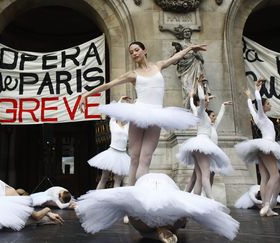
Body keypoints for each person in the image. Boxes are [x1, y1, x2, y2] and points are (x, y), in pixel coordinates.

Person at [79, 41, 203, 186]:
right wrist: (85, 95)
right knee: (134, 157)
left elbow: (176, 57)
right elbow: (108, 85)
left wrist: (190, 48)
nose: (134, 54)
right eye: (131, 52)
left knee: (146, 158)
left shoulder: (158, 66)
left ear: (145, 50)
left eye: (136, 50)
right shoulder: (133, 74)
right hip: (139, 113)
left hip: (156, 114)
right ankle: (131, 191)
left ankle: (140, 191)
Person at [75, 173, 239, 242]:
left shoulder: (143, 187)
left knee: (141, 223)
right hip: (160, 194)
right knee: (173, 216)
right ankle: (161, 230)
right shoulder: (174, 200)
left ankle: (159, 230)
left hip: (147, 197)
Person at [177, 79, 233, 198]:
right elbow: (201, 100)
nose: (207, 101)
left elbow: (194, 103)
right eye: (206, 100)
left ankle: (195, 200)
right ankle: (210, 200)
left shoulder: (200, 112)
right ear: (200, 103)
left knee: (199, 176)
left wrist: (192, 97)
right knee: (205, 175)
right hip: (202, 142)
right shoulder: (201, 111)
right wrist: (199, 85)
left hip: (202, 143)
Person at [235, 79, 280, 217]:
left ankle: (266, 206)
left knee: (265, 176)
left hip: (262, 147)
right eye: (268, 103)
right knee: (275, 175)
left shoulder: (257, 117)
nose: (269, 105)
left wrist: (249, 96)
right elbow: (258, 103)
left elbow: (251, 107)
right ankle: (267, 205)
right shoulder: (261, 115)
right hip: (267, 145)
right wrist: (256, 89)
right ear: (264, 106)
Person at [87, 96, 131, 189]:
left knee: (118, 181)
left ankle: (116, 200)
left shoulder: (127, 126)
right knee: (104, 178)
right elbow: (114, 111)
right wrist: (120, 100)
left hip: (122, 155)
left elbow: (132, 116)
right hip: (112, 153)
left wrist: (129, 105)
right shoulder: (112, 124)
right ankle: (96, 198)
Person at [171, 27, 210, 107]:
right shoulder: (180, 45)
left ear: (190, 34)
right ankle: (187, 108)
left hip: (195, 68)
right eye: (185, 31)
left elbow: (201, 60)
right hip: (185, 71)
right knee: (187, 90)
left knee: (197, 90)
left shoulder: (194, 45)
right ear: (183, 34)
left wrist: (195, 53)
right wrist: (178, 51)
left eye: (188, 31)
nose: (187, 33)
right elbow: (173, 61)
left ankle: (197, 108)